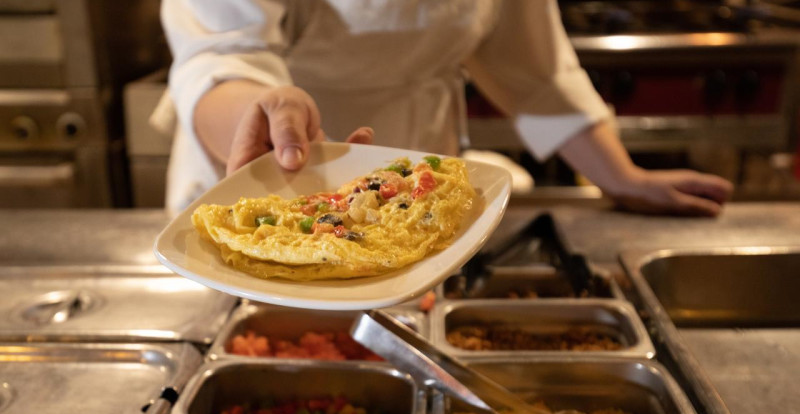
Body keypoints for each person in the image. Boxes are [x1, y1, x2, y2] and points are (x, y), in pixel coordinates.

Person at [155, 0, 733, 216]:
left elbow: (536, 73)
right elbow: (221, 60)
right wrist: (266, 120)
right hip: (262, 166)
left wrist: (622, 177)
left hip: (412, 178)